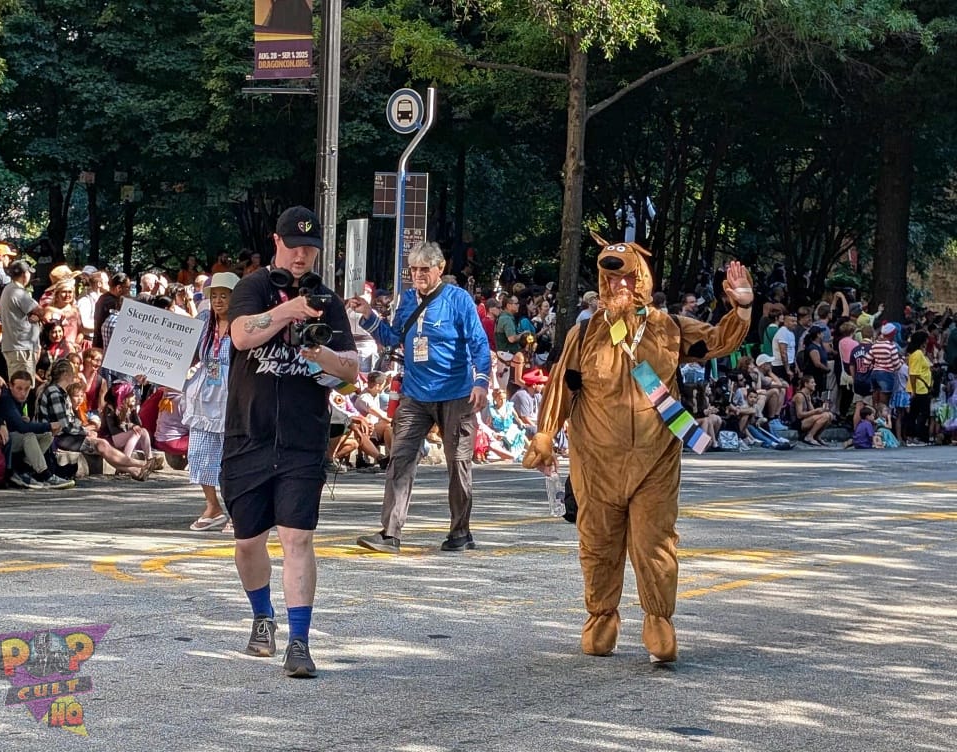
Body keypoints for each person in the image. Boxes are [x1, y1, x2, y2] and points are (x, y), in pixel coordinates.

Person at [522, 234, 752, 663]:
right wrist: (544, 434)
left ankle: (659, 620)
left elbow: (719, 341)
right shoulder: (586, 330)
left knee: (655, 543)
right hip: (595, 462)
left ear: (641, 279)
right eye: (611, 282)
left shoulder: (670, 328)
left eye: (627, 279)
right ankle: (601, 616)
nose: (618, 288)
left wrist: (740, 307)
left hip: (655, 462)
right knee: (598, 543)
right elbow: (561, 385)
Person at [222, 206, 357, 679]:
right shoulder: (253, 287)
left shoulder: (327, 300)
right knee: (247, 542)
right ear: (276, 243)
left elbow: (351, 371)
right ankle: (263, 615)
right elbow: (240, 336)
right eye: (294, 246)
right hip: (248, 434)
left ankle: (299, 642)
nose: (302, 255)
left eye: (311, 248)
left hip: (303, 438)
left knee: (297, 537)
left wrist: (318, 350)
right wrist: (287, 312)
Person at [347, 241, 490, 554]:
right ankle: (390, 533)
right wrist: (369, 316)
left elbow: (478, 342)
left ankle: (460, 532)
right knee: (401, 458)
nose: (418, 275)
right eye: (413, 269)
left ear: (440, 269)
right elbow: (393, 338)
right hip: (415, 393)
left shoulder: (458, 300)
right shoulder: (408, 301)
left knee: (458, 464)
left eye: (424, 269)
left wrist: (481, 381)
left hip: (456, 394)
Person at [37, 359, 154, 481]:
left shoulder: (60, 392)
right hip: (57, 437)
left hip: (64, 434)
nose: (74, 375)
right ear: (65, 374)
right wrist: (85, 431)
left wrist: (84, 429)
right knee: (101, 444)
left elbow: (70, 420)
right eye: (72, 373)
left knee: (102, 445)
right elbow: (65, 425)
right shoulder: (54, 393)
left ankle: (135, 471)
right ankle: (142, 464)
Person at [185, 272, 238, 532]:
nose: (218, 301)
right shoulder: (205, 323)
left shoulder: (241, 324)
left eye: (224, 295)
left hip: (231, 397)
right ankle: (212, 505)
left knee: (233, 458)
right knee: (199, 453)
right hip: (204, 395)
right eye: (214, 295)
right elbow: (187, 355)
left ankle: (239, 511)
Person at [0, 370, 74, 489]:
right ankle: (46, 475)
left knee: (47, 435)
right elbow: (22, 428)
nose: (23, 393)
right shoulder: (6, 399)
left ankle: (24, 470)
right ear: (10, 386)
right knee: (29, 436)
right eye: (19, 388)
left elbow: (16, 423)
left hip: (11, 436)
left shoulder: (20, 401)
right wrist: (49, 425)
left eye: (27, 389)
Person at [0, 259, 46, 382]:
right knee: (21, 386)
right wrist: (36, 316)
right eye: (29, 273)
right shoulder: (17, 292)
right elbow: (41, 312)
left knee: (20, 385)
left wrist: (31, 316)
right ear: (25, 274)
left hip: (16, 346)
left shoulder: (8, 289)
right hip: (21, 348)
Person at [791, 374, 833, 446]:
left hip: (806, 420)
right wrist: (816, 411)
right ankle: (809, 436)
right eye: (812, 382)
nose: (815, 384)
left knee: (830, 415)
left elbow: (812, 411)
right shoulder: (799, 396)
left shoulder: (808, 395)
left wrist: (823, 409)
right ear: (806, 384)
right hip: (798, 423)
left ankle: (817, 436)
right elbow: (799, 415)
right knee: (825, 416)